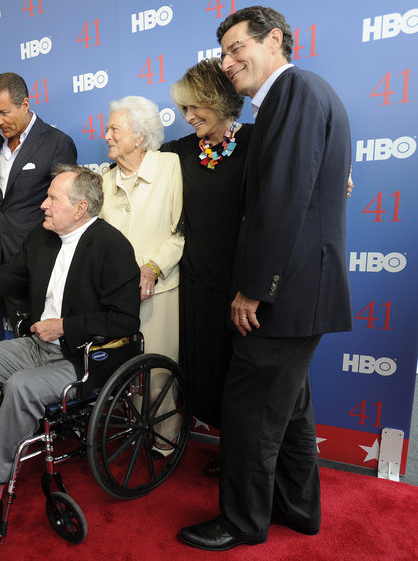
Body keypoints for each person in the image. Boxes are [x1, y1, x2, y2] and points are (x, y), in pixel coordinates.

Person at [177, 6, 352, 551]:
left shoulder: (293, 92)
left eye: (236, 49)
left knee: (249, 414)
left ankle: (242, 522)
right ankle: (298, 510)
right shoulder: (301, 94)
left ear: (274, 39)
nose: (228, 63)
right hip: (301, 292)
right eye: (223, 54)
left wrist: (254, 288)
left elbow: (281, 201)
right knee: (292, 408)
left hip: (283, 294)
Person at [0, 165, 140, 542]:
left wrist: (64, 326)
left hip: (83, 358)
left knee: (19, 386)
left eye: (52, 199)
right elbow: (0, 277)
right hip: (38, 345)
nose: (43, 205)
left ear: (81, 208)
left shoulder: (112, 246)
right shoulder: (43, 238)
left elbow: (125, 319)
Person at [163, 58, 250, 476]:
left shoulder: (255, 140)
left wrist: (339, 172)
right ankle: (231, 451)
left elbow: (302, 164)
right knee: (206, 373)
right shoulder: (178, 152)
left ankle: (245, 458)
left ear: (218, 100)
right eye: (183, 109)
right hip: (195, 286)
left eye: (194, 106)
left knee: (243, 379)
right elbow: (133, 169)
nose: (187, 116)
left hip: (242, 290)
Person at [100, 96, 184, 454]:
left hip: (160, 288)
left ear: (139, 135)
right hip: (118, 295)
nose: (106, 136)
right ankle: (137, 433)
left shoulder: (170, 166)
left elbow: (183, 230)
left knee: (160, 371)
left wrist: (153, 267)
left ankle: (165, 440)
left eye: (114, 129)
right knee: (128, 368)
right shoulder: (105, 180)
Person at [0, 72, 77, 325]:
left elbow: (67, 208)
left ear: (25, 104)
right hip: (5, 260)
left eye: (4, 112)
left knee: (43, 335)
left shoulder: (57, 143)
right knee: (18, 336)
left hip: (42, 260)